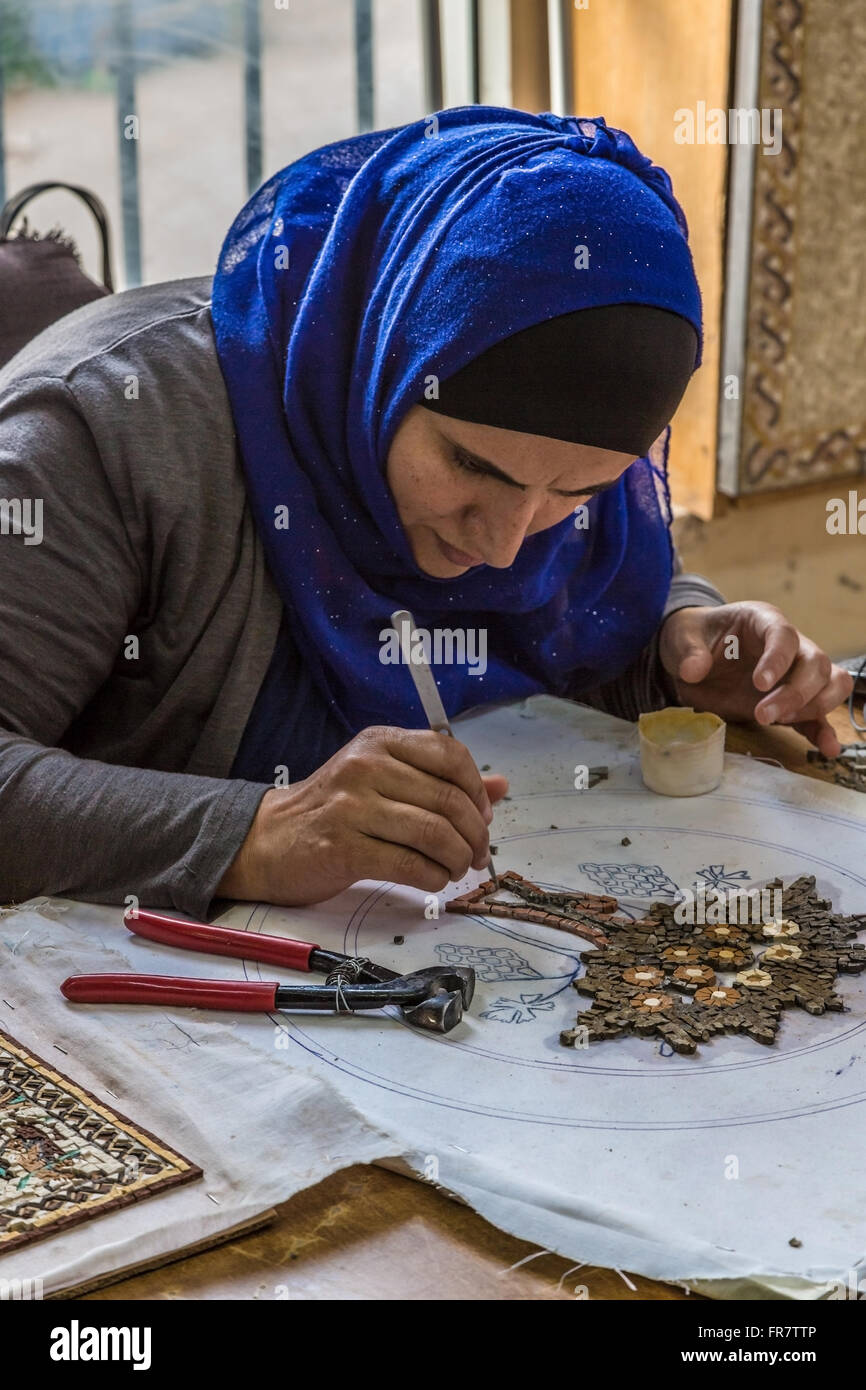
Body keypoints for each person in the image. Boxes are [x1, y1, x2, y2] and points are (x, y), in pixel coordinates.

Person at [0, 107, 851, 919]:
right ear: (380, 358)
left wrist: (682, 652)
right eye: (470, 465)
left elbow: (566, 640)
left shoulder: (531, 500)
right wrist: (256, 835)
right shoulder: (105, 429)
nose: (504, 542)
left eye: (579, 494)